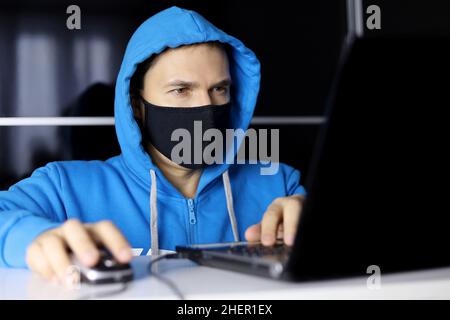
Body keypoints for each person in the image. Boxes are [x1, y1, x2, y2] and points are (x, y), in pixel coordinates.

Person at [0, 6, 305, 282]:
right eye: (181, 89)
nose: (206, 106)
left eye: (219, 88)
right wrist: (34, 238)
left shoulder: (279, 183)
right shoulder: (64, 187)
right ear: (136, 104)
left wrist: (323, 226)